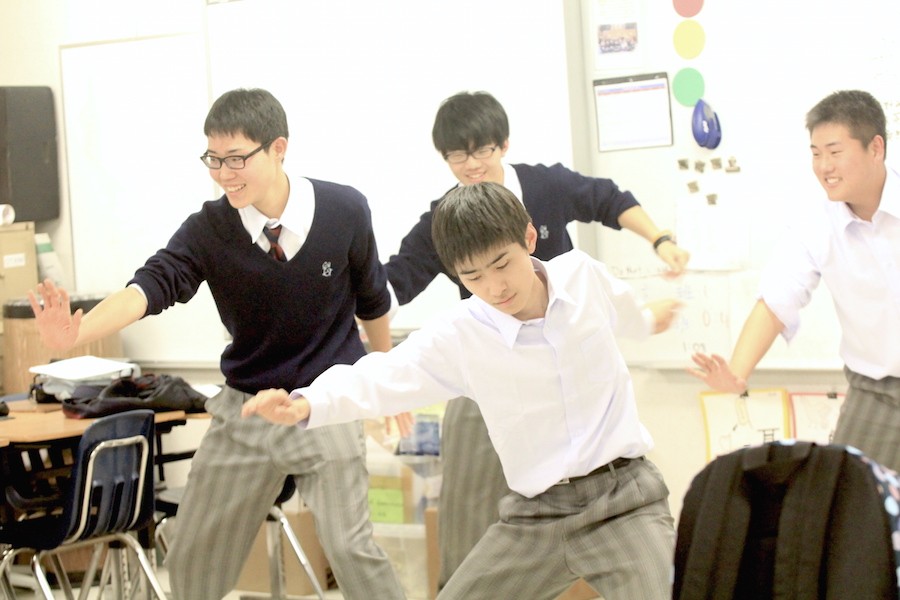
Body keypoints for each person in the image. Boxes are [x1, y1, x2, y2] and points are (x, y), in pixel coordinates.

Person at [28, 88, 406, 600]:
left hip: (325, 404)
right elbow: (151, 286)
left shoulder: (344, 209)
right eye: (213, 159)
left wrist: (381, 387)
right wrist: (78, 331)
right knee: (192, 560)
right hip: (244, 412)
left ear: (278, 148)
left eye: (236, 159)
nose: (224, 173)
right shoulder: (210, 229)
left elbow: (372, 300)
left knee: (351, 547)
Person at [244, 181, 680, 600]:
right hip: (537, 516)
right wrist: (305, 402)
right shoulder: (462, 333)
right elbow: (384, 375)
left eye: (502, 264)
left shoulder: (582, 275)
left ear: (529, 238)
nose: (495, 287)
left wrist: (646, 320)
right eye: (473, 276)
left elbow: (627, 313)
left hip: (625, 501)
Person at [384, 90, 690, 589]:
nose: (471, 165)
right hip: (492, 381)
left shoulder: (544, 187)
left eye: (480, 150)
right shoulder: (447, 219)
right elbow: (396, 282)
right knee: (464, 523)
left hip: (568, 376)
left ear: (503, 145)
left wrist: (660, 240)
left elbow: (607, 199)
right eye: (457, 156)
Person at [688, 89, 900, 472]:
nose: (824, 167)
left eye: (835, 152)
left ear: (876, 148)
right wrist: (737, 373)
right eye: (816, 154)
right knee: (852, 503)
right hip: (876, 391)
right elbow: (776, 300)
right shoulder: (815, 224)